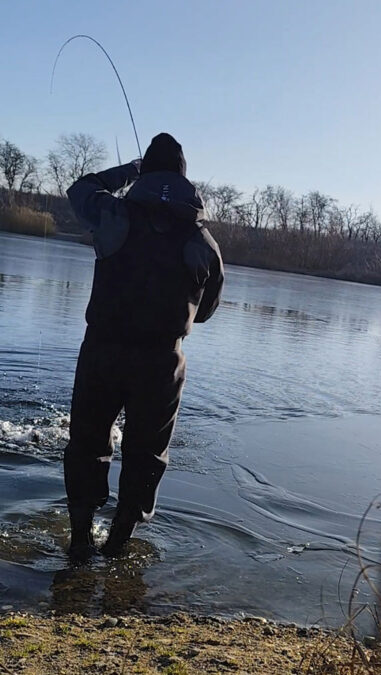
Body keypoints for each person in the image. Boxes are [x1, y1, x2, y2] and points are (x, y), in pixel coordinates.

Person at [63, 132, 224, 562]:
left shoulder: (114, 214)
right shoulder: (203, 243)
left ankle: (80, 541)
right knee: (146, 455)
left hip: (102, 350)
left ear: (145, 174)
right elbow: (205, 312)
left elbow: (78, 189)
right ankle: (117, 546)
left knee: (86, 443)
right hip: (161, 362)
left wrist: (129, 172)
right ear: (186, 181)